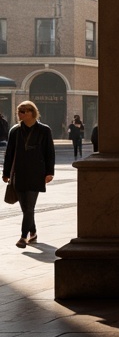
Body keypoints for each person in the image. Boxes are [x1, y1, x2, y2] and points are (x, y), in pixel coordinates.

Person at [3, 101, 55, 248]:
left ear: (32, 112)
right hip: (18, 174)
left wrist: (50, 172)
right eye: (19, 111)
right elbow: (9, 154)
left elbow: (49, 153)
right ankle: (33, 233)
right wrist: (6, 173)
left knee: (29, 207)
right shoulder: (15, 131)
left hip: (36, 173)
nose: (21, 114)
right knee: (25, 208)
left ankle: (23, 237)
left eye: (24, 111)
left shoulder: (44, 130)